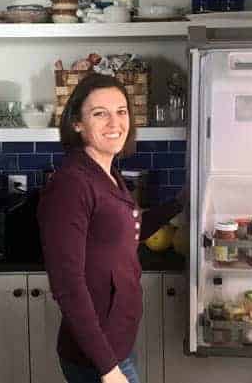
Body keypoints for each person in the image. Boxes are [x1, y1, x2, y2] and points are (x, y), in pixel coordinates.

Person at [38, 73, 183, 383]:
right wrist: (107, 368)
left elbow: (127, 230)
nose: (114, 122)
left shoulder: (106, 172)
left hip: (116, 345)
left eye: (121, 111)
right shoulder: (72, 184)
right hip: (97, 358)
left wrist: (177, 204)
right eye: (99, 113)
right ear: (77, 123)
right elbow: (67, 285)